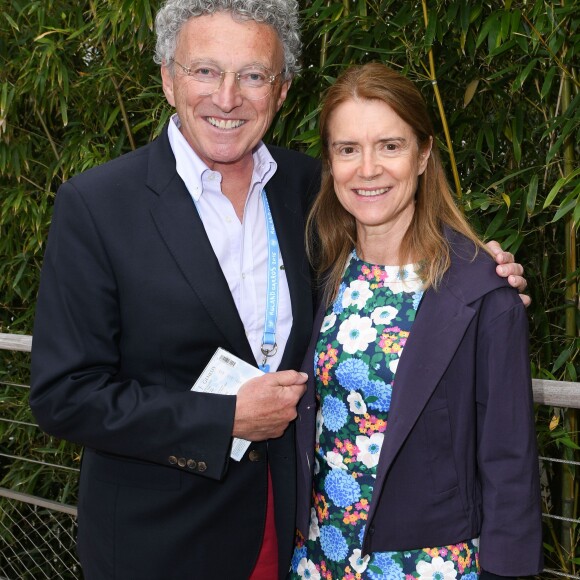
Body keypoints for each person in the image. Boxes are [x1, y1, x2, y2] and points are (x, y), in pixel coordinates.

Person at [28, 1, 528, 578]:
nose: (227, 97)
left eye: (253, 75)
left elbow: (395, 245)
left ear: (282, 89)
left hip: (301, 533)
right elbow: (64, 394)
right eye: (205, 70)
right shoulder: (96, 206)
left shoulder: (313, 190)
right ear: (168, 79)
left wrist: (480, 274)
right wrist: (222, 420)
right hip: (160, 542)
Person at [290, 63, 543, 580]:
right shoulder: (319, 271)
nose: (367, 169)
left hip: (426, 565)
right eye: (347, 149)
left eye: (390, 145)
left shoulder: (482, 291)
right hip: (317, 558)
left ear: (424, 153)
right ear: (330, 161)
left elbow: (510, 460)